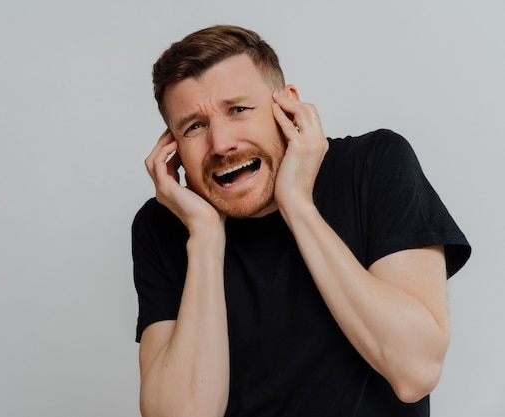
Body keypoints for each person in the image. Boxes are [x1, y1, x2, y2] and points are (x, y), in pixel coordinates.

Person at [132, 25, 471, 417]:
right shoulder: (163, 226)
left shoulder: (375, 165)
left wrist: (296, 204)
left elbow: (415, 371)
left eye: (238, 109)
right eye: (194, 126)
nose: (221, 143)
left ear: (286, 106)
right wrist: (206, 239)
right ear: (172, 150)